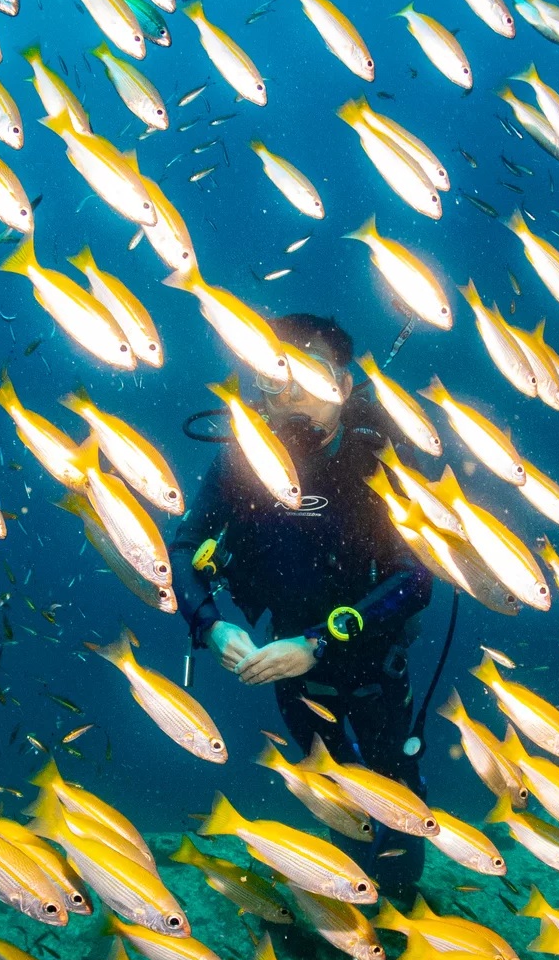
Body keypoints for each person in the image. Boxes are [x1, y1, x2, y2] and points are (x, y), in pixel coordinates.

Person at [171, 314, 436, 895]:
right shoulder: (241, 463)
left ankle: (402, 915)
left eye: (308, 382)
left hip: (374, 668)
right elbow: (183, 552)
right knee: (337, 797)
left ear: (343, 388)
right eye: (273, 381)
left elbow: (419, 579)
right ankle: (352, 913)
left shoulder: (379, 456)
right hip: (287, 677)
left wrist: (319, 642)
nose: (289, 398)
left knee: (398, 798)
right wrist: (210, 627)